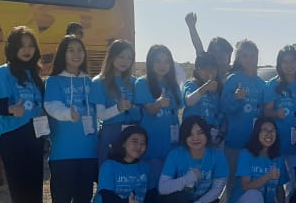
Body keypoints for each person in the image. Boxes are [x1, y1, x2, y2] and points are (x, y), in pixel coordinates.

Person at [0, 26, 49, 203]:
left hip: (35, 137)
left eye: (31, 45)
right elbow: (1, 106)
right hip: (13, 138)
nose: (27, 50)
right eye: (22, 46)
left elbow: (43, 106)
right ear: (13, 48)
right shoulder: (1, 73)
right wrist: (12, 109)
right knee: (21, 197)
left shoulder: (36, 75)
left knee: (35, 196)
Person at [44, 35, 99, 203]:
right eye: (71, 50)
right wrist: (68, 114)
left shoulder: (90, 82)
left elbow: (100, 108)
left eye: (80, 50)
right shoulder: (54, 81)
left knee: (84, 194)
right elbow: (51, 105)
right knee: (62, 194)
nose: (76, 54)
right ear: (62, 54)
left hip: (88, 149)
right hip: (63, 151)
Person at [157, 115, 229, 203]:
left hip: (202, 200)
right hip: (179, 201)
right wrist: (187, 179)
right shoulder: (176, 154)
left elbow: (218, 187)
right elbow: (163, 188)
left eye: (200, 133)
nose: (195, 138)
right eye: (190, 134)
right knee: (177, 200)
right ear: (184, 137)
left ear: (207, 134)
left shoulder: (217, 155)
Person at [227, 118, 294, 203]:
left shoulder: (278, 157)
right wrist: (267, 177)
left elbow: (279, 186)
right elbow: (246, 187)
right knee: (253, 195)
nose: (269, 134)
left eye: (272, 131)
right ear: (257, 133)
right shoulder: (247, 154)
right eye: (264, 130)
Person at [221, 40, 270, 203]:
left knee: (249, 178)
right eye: (244, 56)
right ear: (239, 59)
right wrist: (236, 98)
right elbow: (224, 108)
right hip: (234, 141)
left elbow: (264, 113)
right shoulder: (233, 79)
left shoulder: (262, 84)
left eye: (252, 55)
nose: (249, 60)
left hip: (254, 143)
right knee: (232, 177)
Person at [134, 44, 182, 191]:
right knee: (153, 187)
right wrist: (159, 103)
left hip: (171, 146)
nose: (162, 65)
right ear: (150, 62)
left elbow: (177, 110)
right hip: (151, 147)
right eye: (158, 61)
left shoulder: (173, 85)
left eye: (166, 61)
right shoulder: (142, 83)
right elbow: (151, 111)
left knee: (169, 186)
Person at [91, 39, 140, 164]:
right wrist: (118, 108)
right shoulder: (99, 82)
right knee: (109, 176)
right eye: (121, 56)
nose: (125, 61)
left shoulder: (135, 82)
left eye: (129, 58)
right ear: (112, 57)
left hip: (133, 134)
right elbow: (100, 115)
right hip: (110, 135)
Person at [265, 45, 296, 168]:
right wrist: (276, 113)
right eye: (285, 62)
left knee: (295, 183)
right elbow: (266, 111)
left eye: (293, 61)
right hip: (277, 142)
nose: (290, 65)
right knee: (277, 181)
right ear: (279, 64)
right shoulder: (273, 84)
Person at [183, 52, 224, 146]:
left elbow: (219, 115)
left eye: (213, 68)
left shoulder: (217, 91)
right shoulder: (191, 85)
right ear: (197, 70)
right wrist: (205, 88)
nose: (209, 71)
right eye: (205, 68)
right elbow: (189, 101)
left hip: (210, 139)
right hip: (191, 137)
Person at [185, 11, 234, 75]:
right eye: (216, 52)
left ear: (229, 53)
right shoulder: (208, 73)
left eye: (223, 51)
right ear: (210, 54)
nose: (220, 55)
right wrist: (192, 27)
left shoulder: (237, 72)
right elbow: (198, 47)